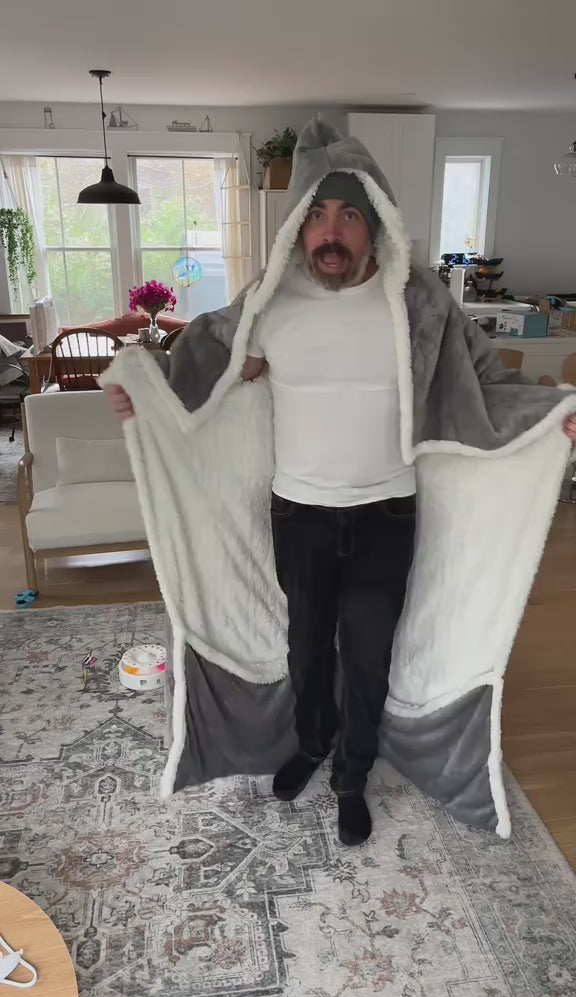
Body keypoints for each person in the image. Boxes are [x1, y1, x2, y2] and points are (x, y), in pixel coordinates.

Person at [106, 118, 576, 847]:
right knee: (304, 652)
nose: (331, 231)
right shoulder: (268, 300)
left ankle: (352, 776)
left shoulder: (418, 302)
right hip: (299, 516)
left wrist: (552, 417)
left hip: (388, 515)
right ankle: (312, 743)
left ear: (376, 221)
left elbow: (482, 382)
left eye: (349, 215)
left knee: (366, 657)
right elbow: (204, 361)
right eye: (318, 214)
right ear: (298, 223)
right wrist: (145, 390)